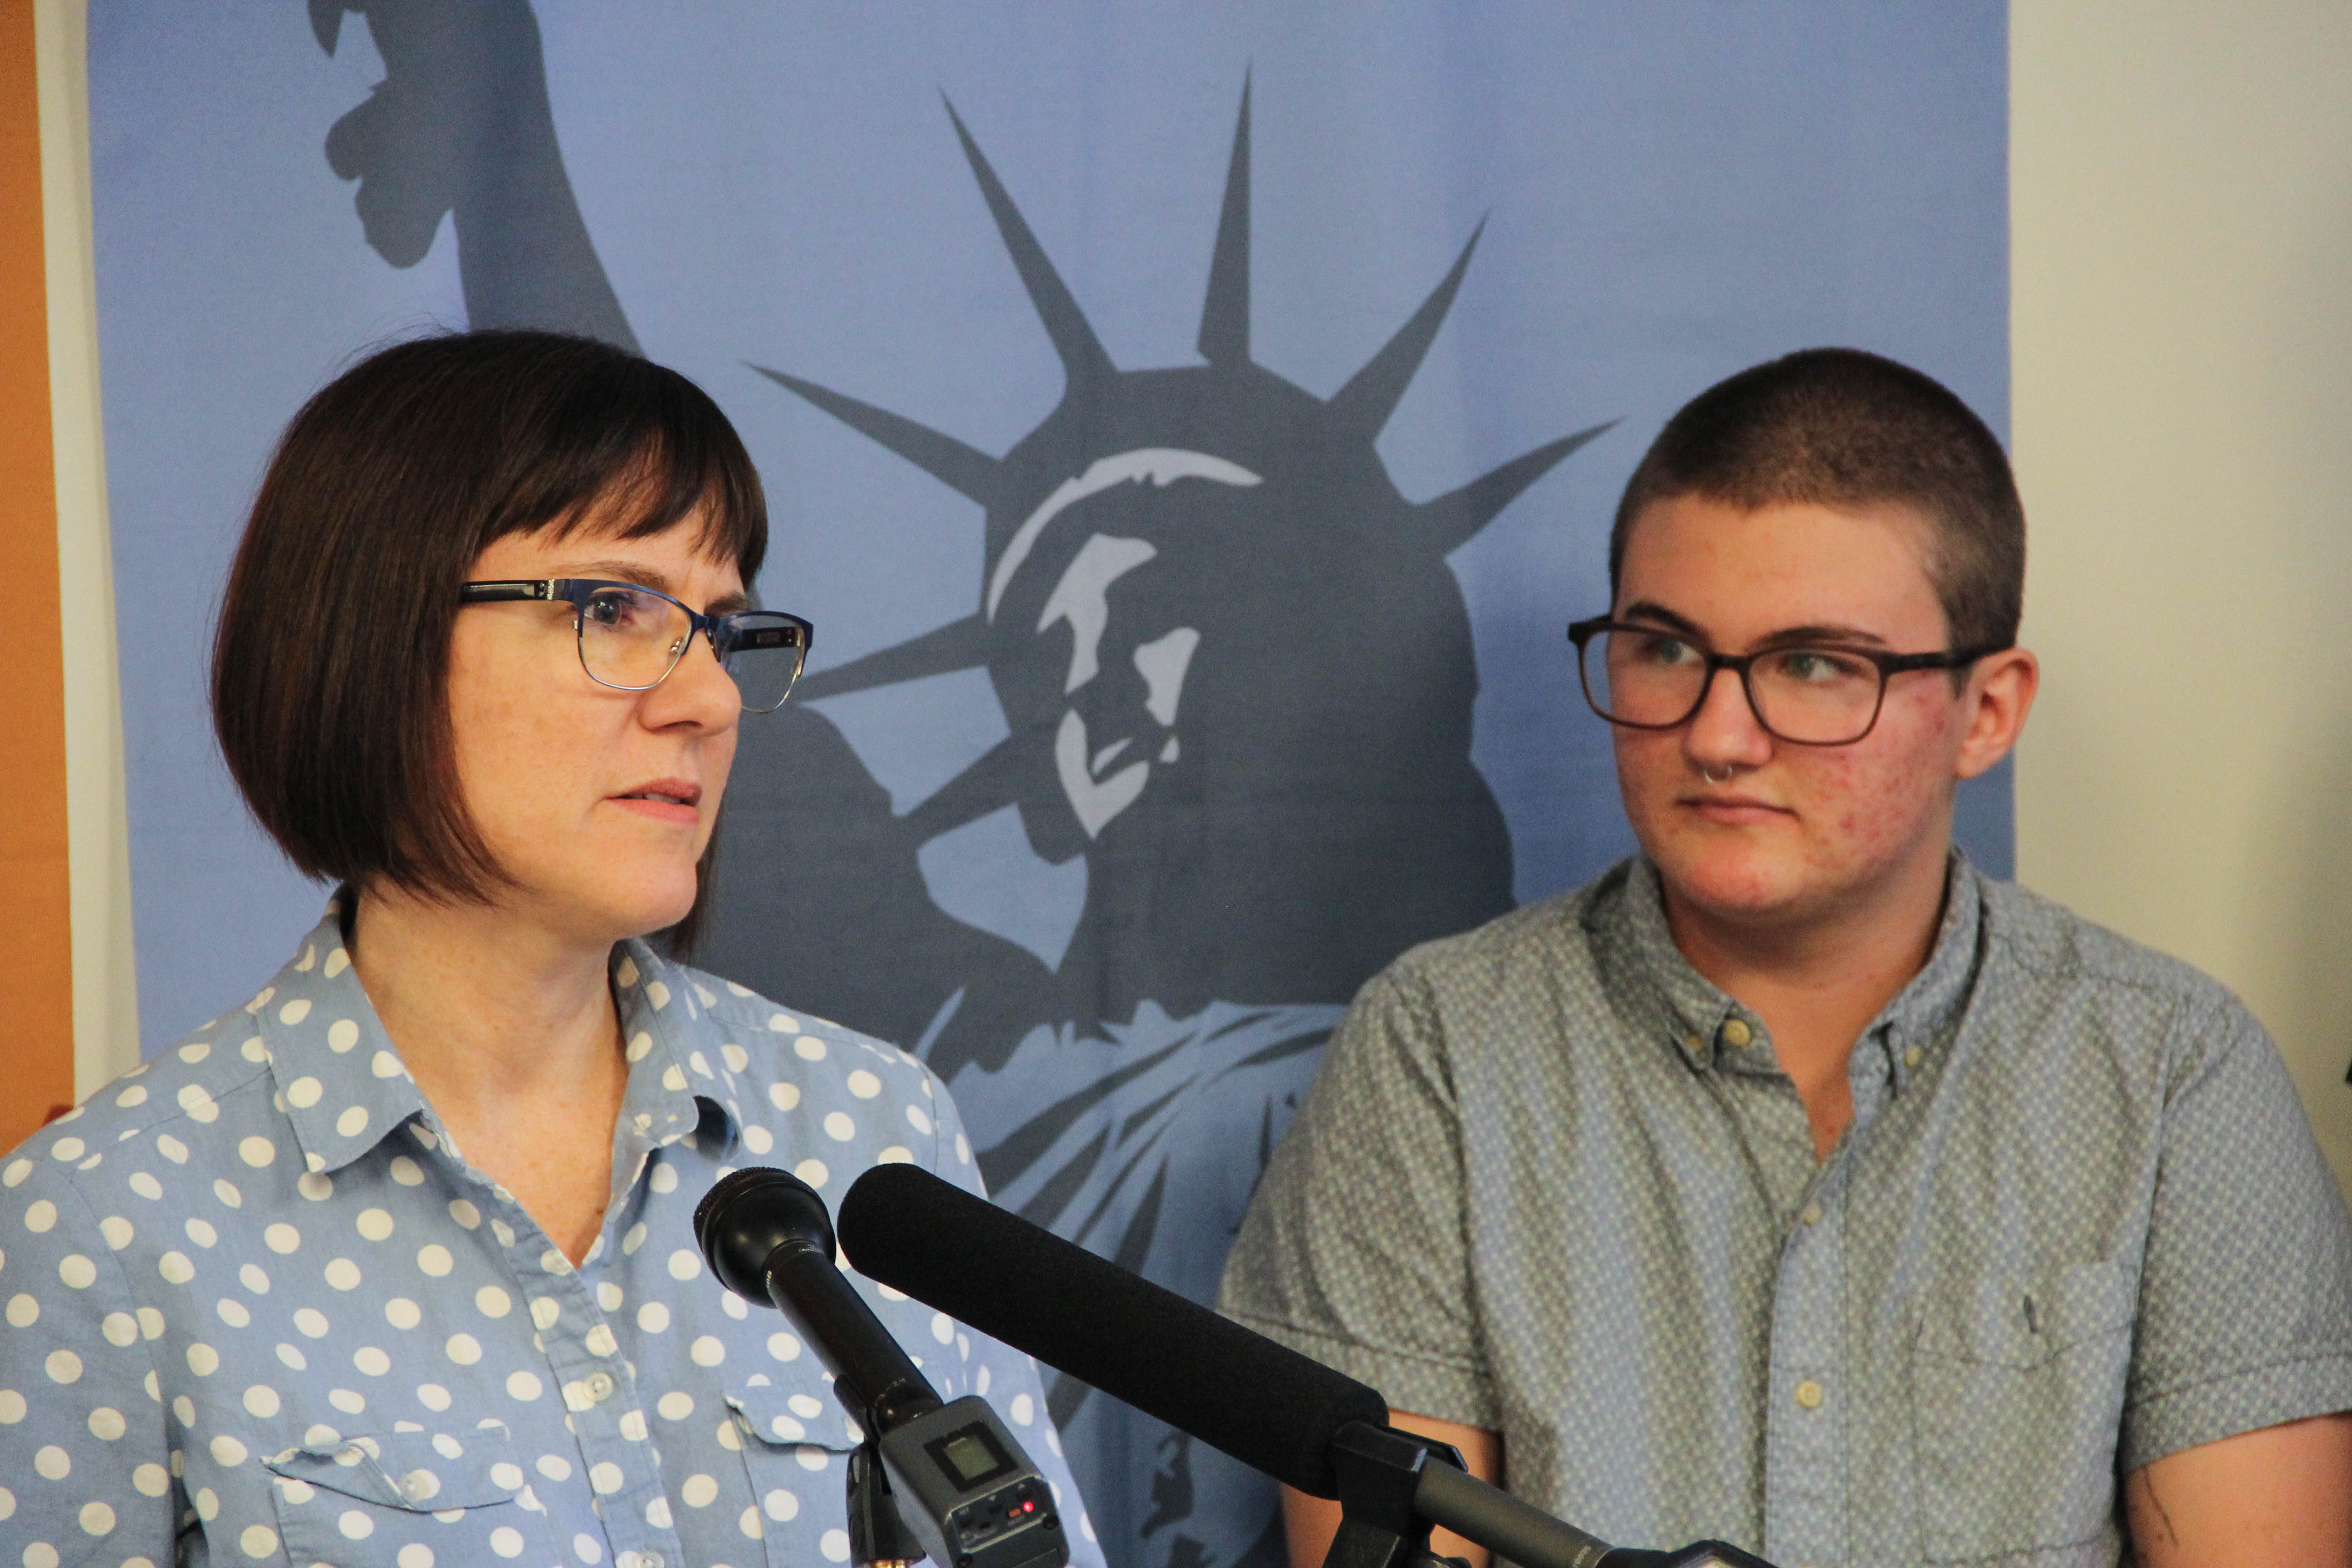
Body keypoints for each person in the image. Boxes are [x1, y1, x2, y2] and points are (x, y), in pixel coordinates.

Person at [1218, 348, 2352, 1568]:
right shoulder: (1439, 1050)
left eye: (1814, 666)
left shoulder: (2175, 1072)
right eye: (1663, 649)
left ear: (1988, 712)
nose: (1716, 735)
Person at [0, 331, 1102, 1568]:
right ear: (375, 636)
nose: (712, 699)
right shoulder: (104, 1226)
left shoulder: (864, 1127)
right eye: (614, 607)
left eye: (723, 626)